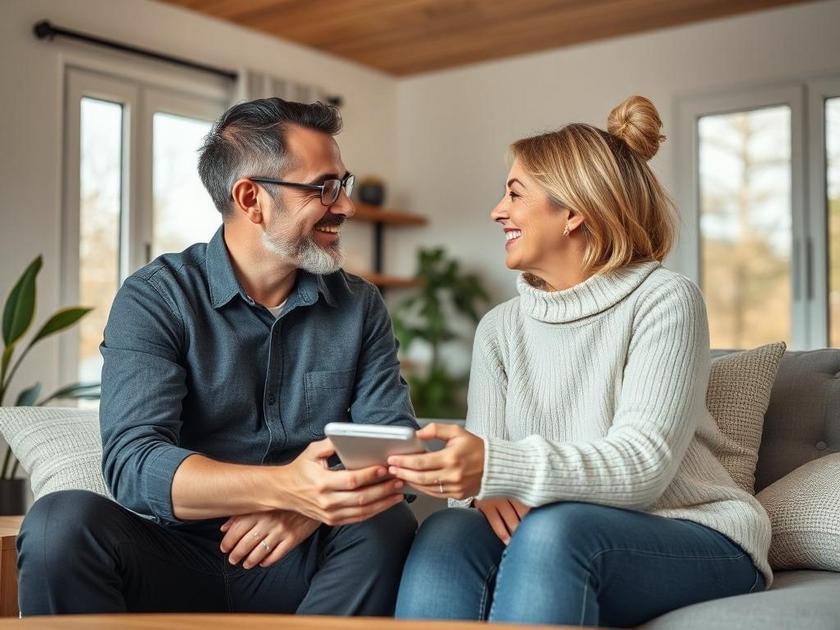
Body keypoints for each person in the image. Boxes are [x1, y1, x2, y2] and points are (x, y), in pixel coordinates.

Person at [17, 98, 417, 616]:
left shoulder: (359, 306)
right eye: (324, 187)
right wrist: (287, 489)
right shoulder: (156, 298)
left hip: (301, 556)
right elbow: (136, 465)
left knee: (384, 525)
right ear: (251, 198)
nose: (344, 205)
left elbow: (395, 451)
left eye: (343, 184)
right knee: (58, 521)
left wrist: (308, 510)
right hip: (172, 551)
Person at [390, 95, 772, 627]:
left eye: (514, 194)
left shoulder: (665, 300)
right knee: (447, 533)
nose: (497, 211)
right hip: (557, 528)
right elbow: (485, 479)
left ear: (572, 211)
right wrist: (478, 492)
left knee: (556, 533)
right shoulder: (499, 329)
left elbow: (643, 467)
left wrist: (497, 467)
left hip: (689, 531)